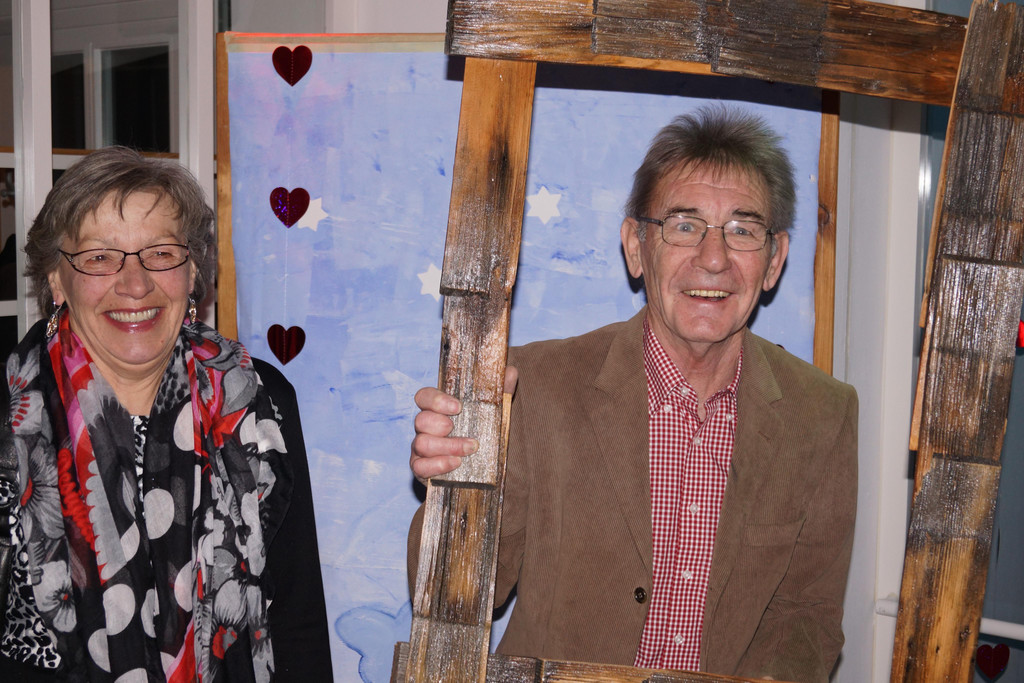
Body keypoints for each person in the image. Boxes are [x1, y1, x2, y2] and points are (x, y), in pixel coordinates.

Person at [408, 107, 858, 682]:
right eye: (684, 226)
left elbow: (807, 614)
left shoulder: (823, 414)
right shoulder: (531, 385)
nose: (714, 258)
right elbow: (453, 593)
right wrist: (457, 482)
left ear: (774, 261)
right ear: (636, 247)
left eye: (743, 230)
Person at [0, 147, 333, 682]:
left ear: (193, 269)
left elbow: (298, 619)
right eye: (100, 257)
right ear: (57, 279)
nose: (135, 284)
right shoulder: (9, 413)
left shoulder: (259, 402)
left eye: (160, 253)